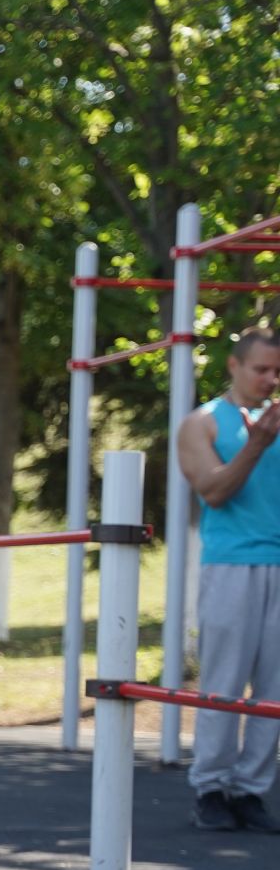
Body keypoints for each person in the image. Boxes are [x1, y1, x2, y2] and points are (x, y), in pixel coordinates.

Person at [174, 324, 280, 833]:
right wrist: (255, 446)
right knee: (223, 680)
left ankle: (252, 791)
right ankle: (211, 787)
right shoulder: (203, 423)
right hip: (232, 563)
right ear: (234, 366)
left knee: (275, 689)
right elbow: (214, 492)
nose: (270, 379)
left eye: (277, 372)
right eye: (261, 369)